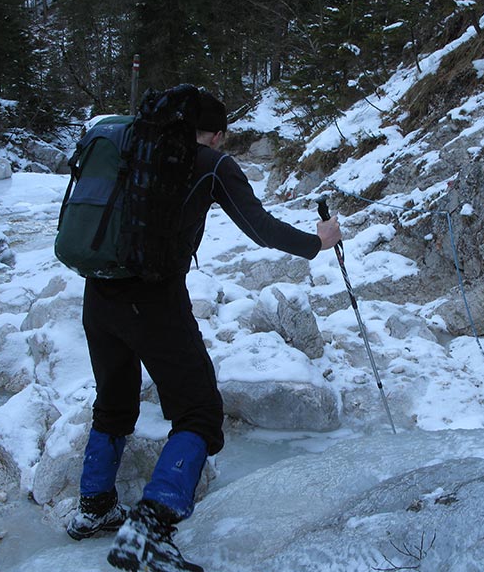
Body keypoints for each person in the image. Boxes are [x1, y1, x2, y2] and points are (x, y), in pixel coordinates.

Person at [65, 89, 342, 572]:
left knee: (113, 401)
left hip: (98, 292)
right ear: (217, 134)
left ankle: (94, 508)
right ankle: (151, 528)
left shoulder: (130, 143)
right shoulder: (212, 162)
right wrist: (317, 242)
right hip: (153, 300)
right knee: (198, 412)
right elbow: (260, 228)